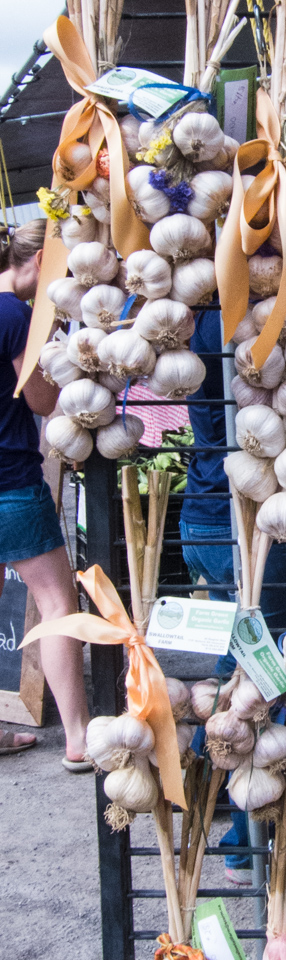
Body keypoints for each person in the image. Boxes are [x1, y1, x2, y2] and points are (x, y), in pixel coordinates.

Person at [181, 304, 286, 883]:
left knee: (236, 664)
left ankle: (201, 788)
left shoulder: (198, 315)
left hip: (203, 518)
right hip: (252, 532)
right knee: (266, 677)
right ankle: (247, 845)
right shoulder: (248, 323)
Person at [0, 220, 90, 768]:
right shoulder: (14, 315)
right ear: (36, 261)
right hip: (9, 481)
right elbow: (40, 402)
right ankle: (79, 738)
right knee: (58, 605)